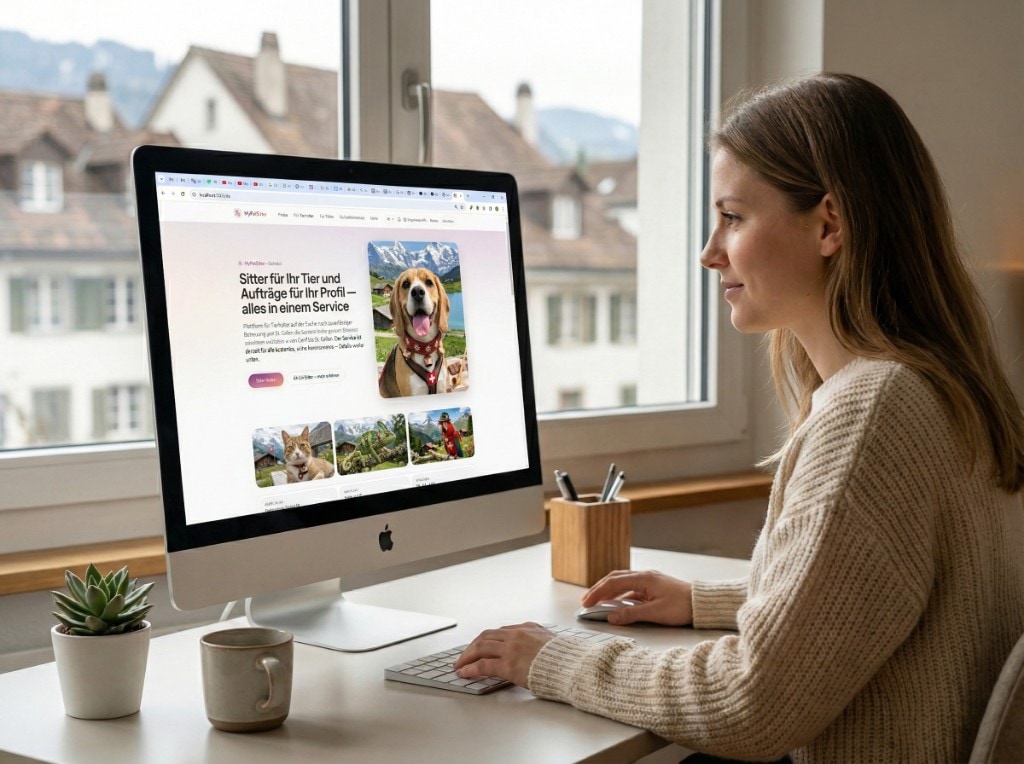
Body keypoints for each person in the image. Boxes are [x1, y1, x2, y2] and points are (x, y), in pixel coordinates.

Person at [453, 72, 1024, 762]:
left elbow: (749, 705)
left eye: (733, 216)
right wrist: (706, 599)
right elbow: (870, 594)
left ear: (829, 224)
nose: (708, 252)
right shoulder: (939, 388)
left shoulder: (874, 412)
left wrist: (550, 660)